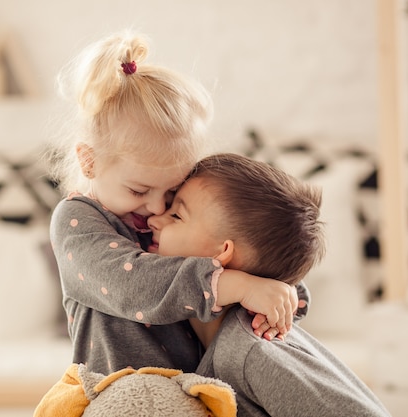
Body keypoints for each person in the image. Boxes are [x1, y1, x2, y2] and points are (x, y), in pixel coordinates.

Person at [47, 30, 305, 376]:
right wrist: (238, 286)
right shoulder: (76, 221)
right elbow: (133, 286)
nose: (157, 209)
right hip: (120, 392)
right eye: (140, 191)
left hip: (195, 390)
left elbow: (231, 247)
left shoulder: (166, 218)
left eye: (172, 193)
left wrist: (281, 294)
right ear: (89, 161)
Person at [147, 153, 391, 417]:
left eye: (176, 216)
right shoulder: (205, 341)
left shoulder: (249, 350)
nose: (154, 219)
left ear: (222, 253)